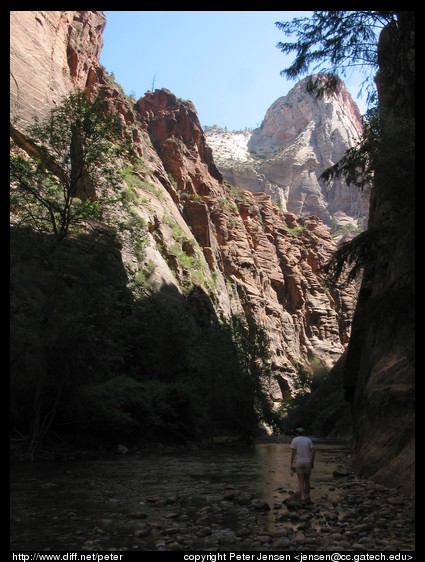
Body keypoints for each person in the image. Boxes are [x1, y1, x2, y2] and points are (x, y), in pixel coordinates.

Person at [290, 427, 315, 502]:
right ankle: (308, 495)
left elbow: (293, 453)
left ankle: (302, 497)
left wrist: (291, 464)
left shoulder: (294, 440)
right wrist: (312, 462)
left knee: (301, 481)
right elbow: (313, 451)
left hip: (299, 462)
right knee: (307, 480)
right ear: (303, 433)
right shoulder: (308, 440)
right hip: (308, 462)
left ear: (297, 433)